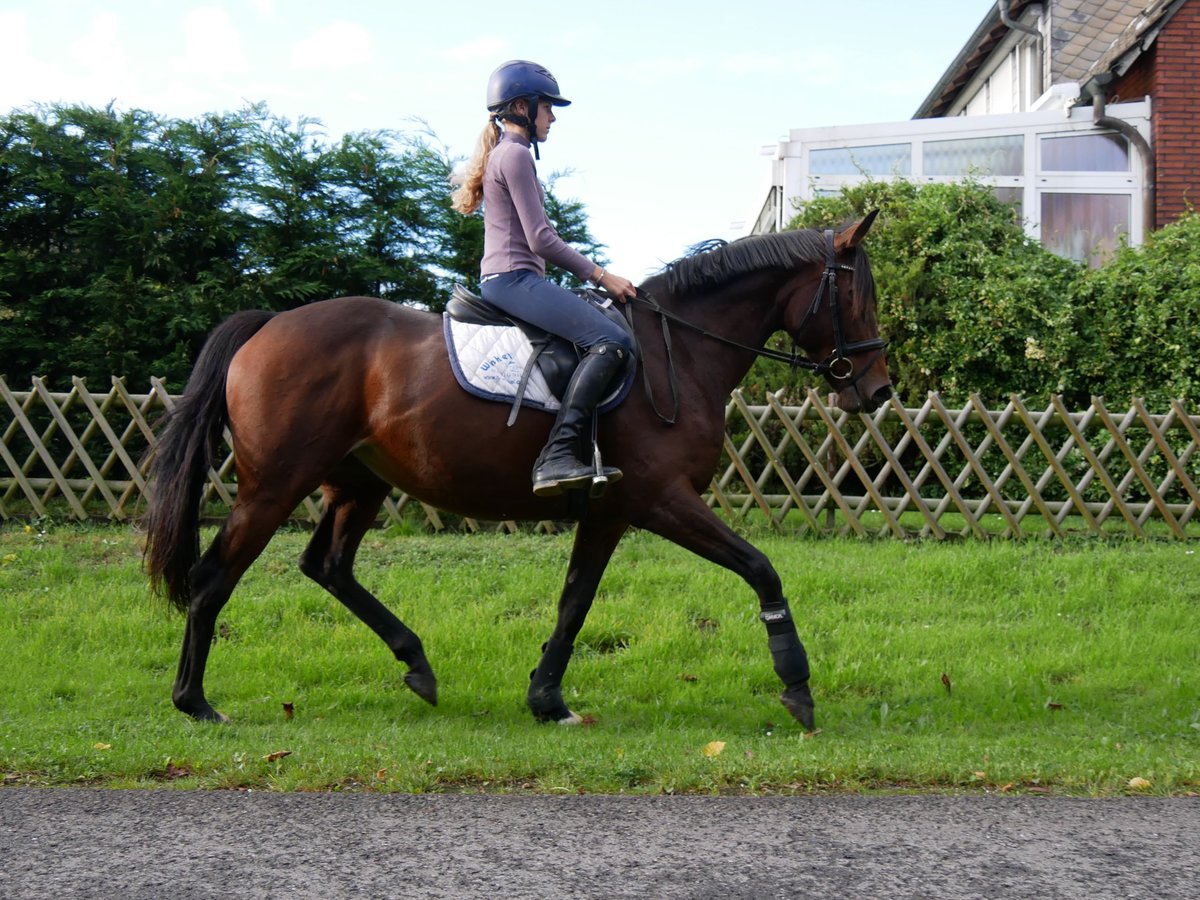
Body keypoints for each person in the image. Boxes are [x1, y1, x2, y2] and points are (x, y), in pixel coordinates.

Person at [452, 59, 638, 497]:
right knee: (614, 341)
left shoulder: (506, 154)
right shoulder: (514, 155)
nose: (552, 118)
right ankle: (556, 455)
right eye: (547, 108)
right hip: (513, 280)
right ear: (522, 106)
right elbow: (540, 240)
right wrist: (601, 275)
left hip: (515, 279)